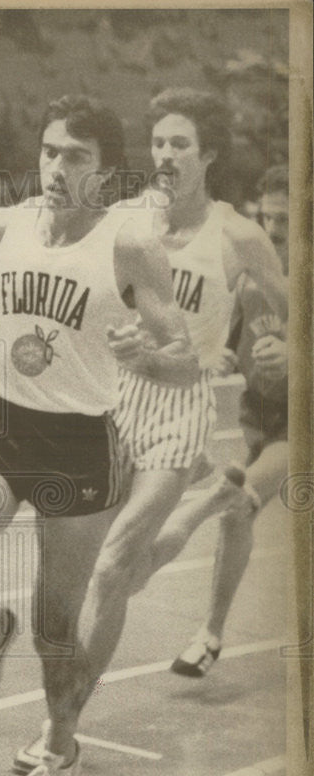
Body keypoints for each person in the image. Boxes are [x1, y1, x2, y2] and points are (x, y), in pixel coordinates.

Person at [0, 94, 198, 776]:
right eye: (49, 151)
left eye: (76, 157)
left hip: (78, 444)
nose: (57, 167)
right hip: (1, 430)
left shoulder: (127, 244)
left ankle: (60, 751)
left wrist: (148, 355)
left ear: (103, 173)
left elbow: (183, 356)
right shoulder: (3, 224)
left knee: (55, 632)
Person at [13, 90, 288, 776]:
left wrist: (279, 349)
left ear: (209, 157)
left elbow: (293, 314)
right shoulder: (125, 220)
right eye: (157, 143)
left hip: (179, 406)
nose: (164, 156)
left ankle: (59, 728)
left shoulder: (237, 236)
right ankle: (204, 506)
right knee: (103, 574)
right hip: (110, 397)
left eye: (180, 145)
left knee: (113, 566)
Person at [146, 164, 289, 675]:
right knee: (239, 511)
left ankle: (209, 629)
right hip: (261, 418)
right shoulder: (247, 271)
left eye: (288, 221)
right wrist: (219, 354)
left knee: (239, 497)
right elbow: (220, 337)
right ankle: (210, 633)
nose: (274, 230)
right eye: (267, 217)